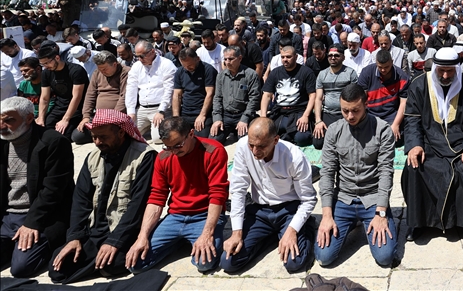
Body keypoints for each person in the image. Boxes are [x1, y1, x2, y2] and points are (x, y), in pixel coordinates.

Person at [49, 110, 155, 283]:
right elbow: (80, 201)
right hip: (94, 230)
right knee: (58, 268)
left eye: (103, 137)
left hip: (123, 229)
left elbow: (138, 205)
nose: (98, 142)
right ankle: (93, 261)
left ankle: (98, 261)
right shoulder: (93, 157)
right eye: (94, 137)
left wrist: (115, 241)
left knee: (113, 264)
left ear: (121, 132)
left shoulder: (144, 157)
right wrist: (75, 237)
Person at [402, 47, 463, 242]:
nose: (446, 75)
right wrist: (415, 144)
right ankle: (418, 223)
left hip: (461, 145)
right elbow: (412, 119)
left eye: (450, 71)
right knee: (414, 167)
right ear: (435, 68)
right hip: (429, 144)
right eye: (441, 71)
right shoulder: (419, 85)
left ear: (457, 68)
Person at [126, 117, 228, 274]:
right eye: (168, 147)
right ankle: (181, 240)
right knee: (136, 263)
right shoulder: (163, 158)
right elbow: (157, 197)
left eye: (178, 145)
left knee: (204, 263)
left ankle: (189, 239)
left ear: (191, 134)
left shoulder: (213, 151)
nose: (173, 151)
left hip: (204, 215)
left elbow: (217, 194)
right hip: (176, 216)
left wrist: (207, 234)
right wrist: (142, 236)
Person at [221, 118, 317, 274]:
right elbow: (238, 190)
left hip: (289, 210)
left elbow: (308, 199)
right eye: (251, 145)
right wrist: (236, 232)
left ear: (276, 140)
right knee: (228, 262)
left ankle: (306, 228)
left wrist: (292, 230)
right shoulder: (243, 148)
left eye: (261, 146)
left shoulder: (294, 157)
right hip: (260, 211)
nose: (255, 152)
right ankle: (272, 235)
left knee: (294, 263)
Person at [316, 83, 397, 267]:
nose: (350, 116)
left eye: (355, 110)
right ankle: (349, 223)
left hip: (373, 199)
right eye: (345, 111)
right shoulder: (334, 131)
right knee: (323, 257)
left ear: (366, 104)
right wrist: (327, 215)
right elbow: (327, 173)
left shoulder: (382, 130)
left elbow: (386, 172)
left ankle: (368, 221)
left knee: (385, 257)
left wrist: (381, 213)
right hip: (344, 199)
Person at [0, 97, 74, 278]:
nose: (2, 125)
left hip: (40, 214)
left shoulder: (53, 142)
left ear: (29, 119)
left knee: (21, 268)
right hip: (7, 215)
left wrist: (31, 223)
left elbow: (53, 190)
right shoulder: (2, 142)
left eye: (9, 120)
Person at [260, 44, 317, 146]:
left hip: (298, 111)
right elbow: (267, 95)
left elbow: (312, 96)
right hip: (280, 111)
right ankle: (287, 134)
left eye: (288, 57)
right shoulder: (275, 72)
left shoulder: (306, 72)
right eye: (282, 57)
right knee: (264, 134)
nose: (285, 60)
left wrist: (305, 116)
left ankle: (286, 135)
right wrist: (263, 117)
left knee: (302, 139)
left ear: (296, 57)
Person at [35, 41, 90, 144]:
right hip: (59, 106)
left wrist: (66, 119)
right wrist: (41, 118)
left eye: (47, 63)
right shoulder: (46, 73)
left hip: (77, 108)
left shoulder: (76, 70)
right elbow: (44, 98)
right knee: (43, 130)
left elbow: (76, 97)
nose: (45, 66)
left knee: (64, 135)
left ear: (57, 58)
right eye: (42, 64)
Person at [357, 49, 410, 148]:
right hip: (370, 113)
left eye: (386, 67)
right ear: (376, 63)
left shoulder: (402, 77)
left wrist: (396, 125)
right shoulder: (367, 73)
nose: (383, 70)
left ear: (392, 62)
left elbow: (403, 103)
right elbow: (361, 100)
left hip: (390, 115)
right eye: (380, 67)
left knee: (396, 139)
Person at [125, 40, 176, 141]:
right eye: (137, 56)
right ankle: (149, 127)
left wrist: (161, 110)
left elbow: (169, 90)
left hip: (160, 108)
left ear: (152, 52)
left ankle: (153, 128)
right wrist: (131, 111)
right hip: (142, 109)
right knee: (127, 133)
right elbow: (131, 89)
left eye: (142, 56)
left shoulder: (166, 64)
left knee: (158, 139)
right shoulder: (136, 66)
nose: (140, 59)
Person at [210, 45, 261, 145]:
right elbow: (217, 98)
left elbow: (254, 99)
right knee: (212, 141)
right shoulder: (221, 76)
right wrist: (217, 119)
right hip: (226, 115)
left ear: (240, 58)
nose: (227, 62)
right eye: (225, 59)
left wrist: (245, 119)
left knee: (246, 143)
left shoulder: (250, 74)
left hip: (243, 114)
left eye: (231, 59)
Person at [78, 52, 129, 143]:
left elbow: (125, 96)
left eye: (105, 69)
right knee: (78, 136)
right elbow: (90, 94)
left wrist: (114, 116)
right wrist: (86, 116)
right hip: (98, 116)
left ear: (114, 64)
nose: (102, 71)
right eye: (100, 69)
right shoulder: (97, 73)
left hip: (118, 115)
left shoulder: (125, 72)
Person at [172, 48, 217, 140]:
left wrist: (202, 115)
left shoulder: (208, 70)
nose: (187, 68)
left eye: (190, 65)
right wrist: (176, 117)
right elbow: (177, 95)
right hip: (185, 112)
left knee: (199, 139)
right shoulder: (180, 72)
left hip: (202, 111)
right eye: (184, 66)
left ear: (197, 59)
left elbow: (210, 93)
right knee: (177, 137)